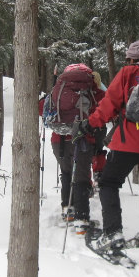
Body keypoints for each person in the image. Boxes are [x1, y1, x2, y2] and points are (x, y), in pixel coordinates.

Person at [73, 39, 139, 277]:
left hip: (129, 140)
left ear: (131, 58)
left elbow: (108, 105)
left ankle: (113, 235)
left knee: (109, 183)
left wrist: (88, 125)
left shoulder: (128, 73)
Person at [40, 64, 106, 235]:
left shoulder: (58, 90)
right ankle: (81, 219)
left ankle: (67, 208)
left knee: (67, 172)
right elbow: (106, 106)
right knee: (82, 177)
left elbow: (42, 108)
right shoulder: (93, 90)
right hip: (83, 138)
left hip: (59, 140)